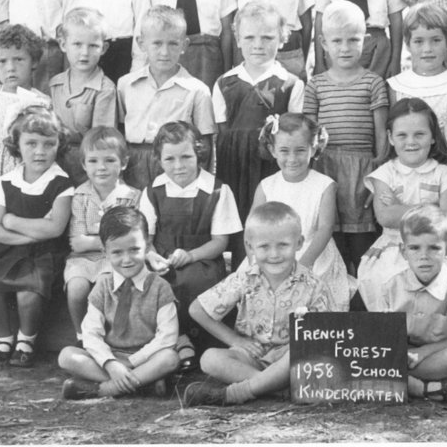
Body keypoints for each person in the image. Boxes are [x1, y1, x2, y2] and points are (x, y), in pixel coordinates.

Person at [185, 202, 332, 406]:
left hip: (289, 359)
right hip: (250, 355)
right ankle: (276, 389)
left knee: (299, 355)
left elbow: (324, 337)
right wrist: (234, 340)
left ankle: (237, 393)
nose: (274, 254)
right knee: (209, 359)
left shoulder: (314, 285)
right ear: (250, 246)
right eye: (264, 246)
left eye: (283, 245)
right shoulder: (244, 278)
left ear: (299, 243)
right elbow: (197, 309)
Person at [139, 121, 243, 372]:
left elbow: (220, 242)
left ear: (199, 154)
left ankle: (198, 346)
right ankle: (172, 343)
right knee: (153, 284)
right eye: (170, 159)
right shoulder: (153, 191)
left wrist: (190, 255)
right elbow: (145, 240)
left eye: (186, 157)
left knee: (193, 281)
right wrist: (152, 258)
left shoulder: (217, 190)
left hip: (203, 260)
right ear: (159, 159)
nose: (178, 166)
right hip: (162, 261)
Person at [0, 106, 74, 368]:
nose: (40, 151)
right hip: (6, 252)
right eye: (31, 143)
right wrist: (31, 233)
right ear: (17, 145)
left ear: (59, 145)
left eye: (48, 144)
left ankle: (26, 340)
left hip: (45, 255)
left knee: (27, 293)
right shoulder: (7, 181)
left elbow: (54, 229)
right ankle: (2, 340)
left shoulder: (62, 183)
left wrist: (13, 221)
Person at [214, 1, 304, 268]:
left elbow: (295, 131)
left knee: (272, 219)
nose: (258, 45)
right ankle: (241, 277)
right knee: (239, 218)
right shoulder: (225, 83)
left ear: (282, 38)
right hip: (235, 165)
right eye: (250, 37)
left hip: (271, 166)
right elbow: (221, 132)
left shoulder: (290, 83)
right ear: (238, 40)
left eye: (267, 37)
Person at [57, 206, 179, 400]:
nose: (126, 260)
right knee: (66, 356)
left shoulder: (160, 288)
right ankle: (144, 384)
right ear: (105, 252)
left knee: (170, 358)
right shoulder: (102, 286)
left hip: (147, 357)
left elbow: (167, 337)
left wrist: (132, 362)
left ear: (147, 246)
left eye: (134, 250)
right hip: (110, 357)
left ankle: (103, 390)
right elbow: (91, 334)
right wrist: (110, 363)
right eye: (117, 253)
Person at [304, 0, 388, 273]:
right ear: (323, 43)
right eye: (337, 40)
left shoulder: (373, 82)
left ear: (364, 40)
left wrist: (376, 174)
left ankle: (363, 304)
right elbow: (309, 132)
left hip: (361, 168)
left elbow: (381, 137)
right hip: (326, 167)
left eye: (353, 40)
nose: (345, 48)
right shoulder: (315, 84)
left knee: (362, 244)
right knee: (331, 240)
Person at [358, 98, 447, 311]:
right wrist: (433, 210)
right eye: (402, 135)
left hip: (435, 246)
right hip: (393, 245)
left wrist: (400, 206)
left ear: (433, 137)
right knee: (381, 275)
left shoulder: (444, 175)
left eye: (419, 134)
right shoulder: (385, 174)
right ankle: (394, 334)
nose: (411, 142)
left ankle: (433, 330)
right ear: (390, 138)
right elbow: (386, 217)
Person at [251, 113, 350, 309]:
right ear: (272, 150)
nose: (292, 158)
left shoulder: (324, 185)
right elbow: (252, 229)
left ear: (313, 148)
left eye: (300, 150)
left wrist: (303, 265)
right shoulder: (267, 186)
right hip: (272, 252)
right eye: (284, 151)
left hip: (313, 254)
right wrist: (255, 260)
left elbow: (324, 229)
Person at [117, 5, 216, 190]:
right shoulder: (126, 85)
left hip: (175, 163)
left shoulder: (197, 90)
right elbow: (120, 129)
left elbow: (206, 144)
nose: (164, 52)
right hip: (134, 161)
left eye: (173, 44)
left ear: (185, 45)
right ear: (141, 43)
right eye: (156, 43)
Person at [380, 204, 447, 403]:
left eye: (434, 248)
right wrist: (402, 354)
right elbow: (384, 337)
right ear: (403, 251)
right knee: (372, 357)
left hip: (436, 356)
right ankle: (424, 388)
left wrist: (422, 353)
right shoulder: (391, 287)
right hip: (401, 356)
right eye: (414, 248)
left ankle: (400, 382)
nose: (424, 256)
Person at [64, 127, 141, 343]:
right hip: (82, 260)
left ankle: (112, 336)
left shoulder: (131, 197)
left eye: (109, 160)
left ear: (123, 163)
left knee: (105, 285)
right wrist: (111, 242)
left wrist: (98, 242)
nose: (101, 167)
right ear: (83, 165)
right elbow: (77, 243)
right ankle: (82, 335)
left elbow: (129, 240)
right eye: (93, 161)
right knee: (76, 288)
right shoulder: (80, 195)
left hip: (115, 260)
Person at [387, 2, 447, 176]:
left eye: (435, 40)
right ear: (408, 44)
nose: (427, 49)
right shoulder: (396, 86)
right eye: (419, 41)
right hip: (406, 172)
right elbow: (391, 137)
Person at [0, 25, 51, 196]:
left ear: (34, 62)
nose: (10, 67)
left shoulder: (40, 101)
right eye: (2, 61)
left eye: (18, 59)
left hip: (20, 165)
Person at [48, 8, 118, 185]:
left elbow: (100, 140)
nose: (84, 52)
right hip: (53, 164)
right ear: (63, 45)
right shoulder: (55, 83)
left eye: (93, 46)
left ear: (104, 48)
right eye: (77, 44)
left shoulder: (105, 89)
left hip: (86, 168)